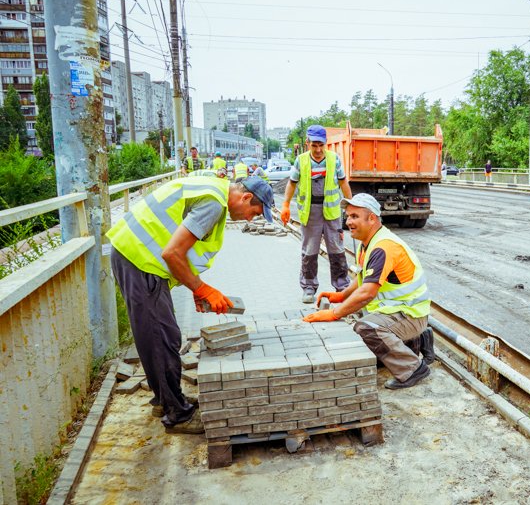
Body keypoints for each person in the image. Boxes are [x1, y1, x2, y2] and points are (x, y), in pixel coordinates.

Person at [107, 175, 274, 434]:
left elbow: (177, 250)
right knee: (162, 338)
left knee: (157, 336)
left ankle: (167, 400)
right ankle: (178, 415)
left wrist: (195, 289)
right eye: (255, 212)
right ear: (246, 197)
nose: (251, 219)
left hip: (134, 255)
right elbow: (171, 253)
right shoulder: (214, 204)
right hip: (138, 259)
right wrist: (202, 288)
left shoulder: (211, 189)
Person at [303, 193, 434, 389]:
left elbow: (367, 293)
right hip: (399, 312)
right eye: (347, 216)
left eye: (354, 216)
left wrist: (333, 313)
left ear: (371, 218)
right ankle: (415, 341)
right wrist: (341, 296)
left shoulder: (383, 247)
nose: (348, 222)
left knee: (366, 327)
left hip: (410, 315)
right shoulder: (369, 243)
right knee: (359, 313)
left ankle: (413, 369)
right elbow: (363, 278)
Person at [281, 125, 352, 303]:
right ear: (308, 143)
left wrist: (351, 206)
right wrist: (285, 205)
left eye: (321, 145)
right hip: (310, 213)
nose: (318, 150)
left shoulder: (334, 160)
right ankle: (309, 287)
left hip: (331, 212)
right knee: (309, 251)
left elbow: (343, 183)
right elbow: (292, 183)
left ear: (326, 144)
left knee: (337, 250)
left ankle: (342, 287)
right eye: (314, 145)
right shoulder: (301, 161)